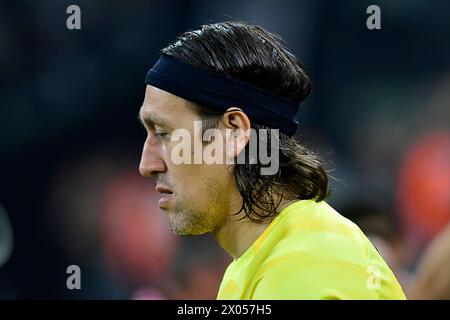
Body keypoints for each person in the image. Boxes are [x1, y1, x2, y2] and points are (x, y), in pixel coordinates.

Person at [138, 21, 405, 299]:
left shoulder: (310, 266)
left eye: (164, 134)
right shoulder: (255, 265)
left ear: (233, 132)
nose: (147, 165)